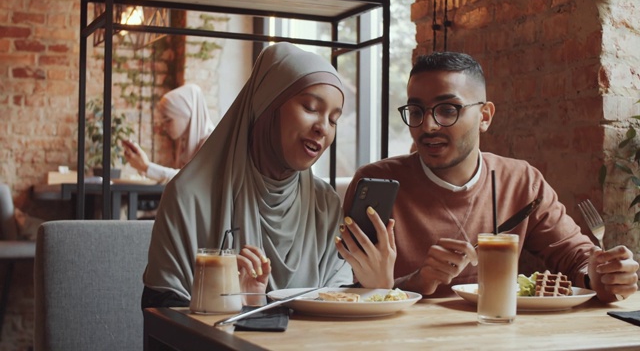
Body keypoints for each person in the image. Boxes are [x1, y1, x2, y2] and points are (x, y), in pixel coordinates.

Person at [338, 51, 639, 302]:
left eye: (447, 110)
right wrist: (420, 280)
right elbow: (351, 292)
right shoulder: (375, 183)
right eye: (416, 111)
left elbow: (576, 256)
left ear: (484, 117)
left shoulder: (521, 181)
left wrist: (600, 275)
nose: (428, 126)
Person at [141, 42, 395, 308]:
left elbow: (339, 304)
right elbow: (160, 315)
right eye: (310, 107)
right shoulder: (189, 197)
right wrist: (224, 301)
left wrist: (376, 287)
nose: (323, 128)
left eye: (333, 119)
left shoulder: (325, 204)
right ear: (266, 106)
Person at [123, 83, 215, 184]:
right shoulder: (184, 144)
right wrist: (143, 168)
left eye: (168, 120)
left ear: (187, 114)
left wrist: (147, 167)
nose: (164, 127)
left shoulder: (211, 142)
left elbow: (191, 181)